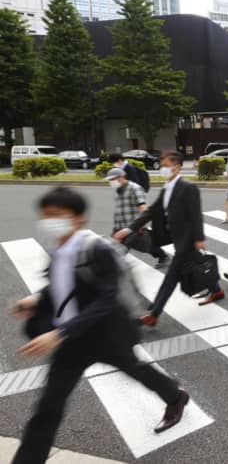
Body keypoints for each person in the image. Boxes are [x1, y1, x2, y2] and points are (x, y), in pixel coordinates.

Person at [10, 188, 190, 464]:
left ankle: (174, 396)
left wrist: (60, 333)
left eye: (57, 215)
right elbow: (64, 287)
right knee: (49, 406)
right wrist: (36, 300)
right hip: (71, 341)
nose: (50, 221)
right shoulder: (58, 248)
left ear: (79, 218)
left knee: (137, 370)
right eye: (46, 215)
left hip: (105, 333)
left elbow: (107, 298)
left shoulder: (96, 248)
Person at [115, 151, 224, 327]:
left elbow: (196, 215)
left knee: (171, 277)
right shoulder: (167, 188)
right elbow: (152, 211)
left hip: (187, 240)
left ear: (177, 167)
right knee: (199, 265)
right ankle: (216, 290)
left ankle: (154, 313)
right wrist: (129, 229)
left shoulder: (188, 187)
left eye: (166, 165)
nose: (163, 168)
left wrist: (199, 237)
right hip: (177, 238)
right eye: (162, 165)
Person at [105, 167, 170, 268]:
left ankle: (164, 257)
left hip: (133, 226)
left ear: (122, 177)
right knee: (131, 245)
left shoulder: (134, 188)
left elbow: (143, 208)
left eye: (112, 179)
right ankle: (113, 265)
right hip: (120, 226)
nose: (111, 182)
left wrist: (141, 225)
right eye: (110, 180)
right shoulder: (119, 190)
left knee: (143, 245)